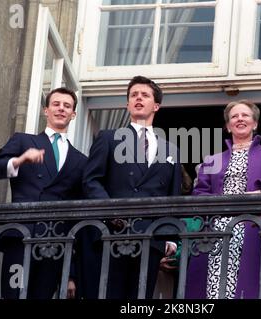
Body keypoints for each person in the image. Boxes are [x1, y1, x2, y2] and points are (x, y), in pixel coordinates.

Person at [79, 75, 182, 299]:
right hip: (111, 235)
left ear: (156, 105)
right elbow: (91, 180)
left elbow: (172, 197)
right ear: (127, 104)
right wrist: (111, 213)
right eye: (133, 95)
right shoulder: (108, 138)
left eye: (144, 95)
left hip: (151, 240)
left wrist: (170, 238)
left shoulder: (170, 148)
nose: (138, 98)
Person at [0, 87, 87, 299]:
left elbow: (77, 219)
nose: (61, 109)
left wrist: (72, 273)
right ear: (46, 110)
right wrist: (19, 161)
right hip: (21, 237)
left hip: (54, 246)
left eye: (67, 106)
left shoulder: (80, 160)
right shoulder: (24, 141)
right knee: (14, 296)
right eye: (56, 104)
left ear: (73, 114)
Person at [185, 100, 261, 299]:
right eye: (234, 116)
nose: (240, 119)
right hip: (216, 230)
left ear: (255, 124)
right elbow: (199, 193)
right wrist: (222, 201)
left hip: (253, 228)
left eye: (245, 115)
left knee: (250, 288)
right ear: (228, 126)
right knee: (213, 290)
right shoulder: (212, 160)